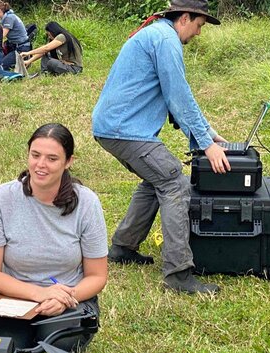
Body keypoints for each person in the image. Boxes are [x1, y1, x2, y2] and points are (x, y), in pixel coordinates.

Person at [91, 0, 229, 294]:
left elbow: (179, 97)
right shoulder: (166, 40)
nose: (198, 34)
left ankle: (123, 247)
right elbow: (178, 95)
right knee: (173, 181)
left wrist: (208, 132)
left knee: (157, 179)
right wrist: (207, 145)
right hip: (123, 130)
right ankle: (178, 275)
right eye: (199, 26)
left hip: (115, 127)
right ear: (185, 17)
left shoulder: (159, 34)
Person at [0, 123, 109, 352]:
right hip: (14, 295)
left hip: (67, 299)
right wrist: (39, 294)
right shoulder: (2, 198)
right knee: (7, 347)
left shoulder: (87, 203)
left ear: (69, 162)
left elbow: (97, 276)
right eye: (35, 155)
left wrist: (65, 297)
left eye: (52, 158)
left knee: (58, 344)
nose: (41, 165)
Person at [0, 1, 31, 70]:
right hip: (14, 45)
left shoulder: (9, 18)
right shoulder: (6, 16)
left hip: (21, 48)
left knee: (1, 67)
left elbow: (1, 36)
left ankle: (24, 60)